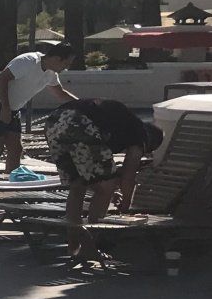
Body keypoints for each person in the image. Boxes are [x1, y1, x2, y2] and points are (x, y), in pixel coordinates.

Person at [40, 99, 164, 264]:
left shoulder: (122, 124)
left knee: (78, 186)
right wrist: (126, 206)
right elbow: (128, 176)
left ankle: (74, 245)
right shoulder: (140, 135)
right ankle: (90, 247)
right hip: (79, 122)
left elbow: (91, 172)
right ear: (150, 144)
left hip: (54, 121)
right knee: (107, 186)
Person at [0, 44, 75, 175]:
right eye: (66, 64)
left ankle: (11, 180)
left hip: (13, 108)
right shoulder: (28, 61)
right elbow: (2, 79)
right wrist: (5, 108)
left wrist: (85, 105)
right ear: (57, 58)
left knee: (16, 149)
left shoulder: (51, 74)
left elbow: (60, 94)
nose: (66, 68)